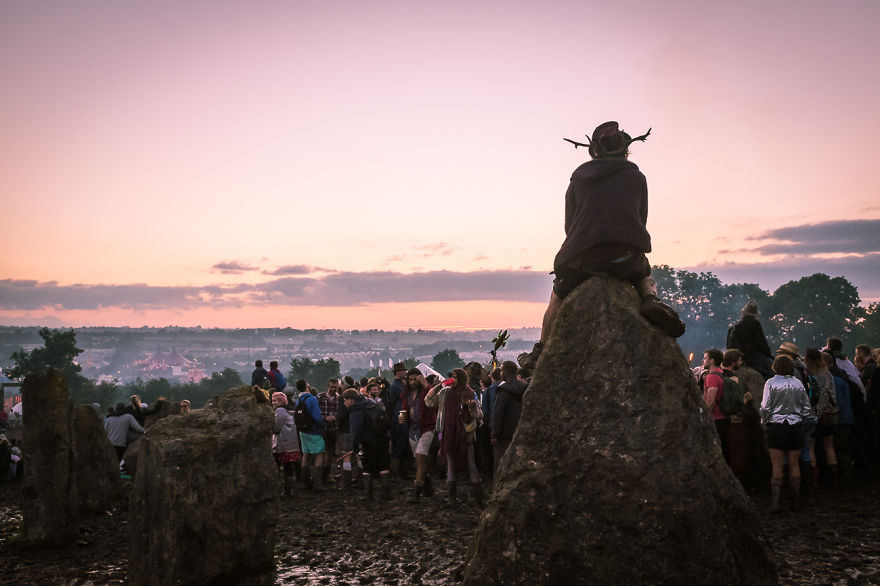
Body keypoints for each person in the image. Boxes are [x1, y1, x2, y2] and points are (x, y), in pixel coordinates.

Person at [519, 121, 685, 370]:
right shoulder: (637, 177)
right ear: (624, 149)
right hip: (627, 256)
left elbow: (569, 222)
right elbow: (642, 216)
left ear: (594, 150)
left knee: (557, 295)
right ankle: (650, 298)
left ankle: (541, 349)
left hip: (583, 258)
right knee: (643, 274)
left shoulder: (579, 178)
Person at [760, 355, 812, 512]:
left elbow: (765, 407)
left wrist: (764, 422)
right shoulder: (798, 383)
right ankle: (794, 501)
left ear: (775, 366)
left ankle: (776, 502)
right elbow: (807, 408)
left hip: (776, 427)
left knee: (777, 466)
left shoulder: (770, 383)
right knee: (794, 464)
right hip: (795, 427)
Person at [425, 368, 484, 505]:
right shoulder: (444, 393)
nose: (453, 379)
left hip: (466, 434)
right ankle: (452, 498)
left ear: (462, 379)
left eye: (456, 377)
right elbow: (428, 401)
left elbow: (480, 416)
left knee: (471, 465)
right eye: (452, 376)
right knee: (450, 466)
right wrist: (439, 385)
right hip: (448, 435)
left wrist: (472, 409)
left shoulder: (470, 393)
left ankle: (479, 497)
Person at [343, 388, 392, 501]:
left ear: (351, 399)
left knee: (367, 468)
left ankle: (368, 495)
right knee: (383, 466)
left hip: (368, 442)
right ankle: (386, 493)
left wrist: (355, 449)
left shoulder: (356, 410)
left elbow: (355, 433)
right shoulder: (370, 402)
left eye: (345, 401)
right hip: (382, 439)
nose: (344, 404)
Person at [400, 368, 438, 503]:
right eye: (410, 380)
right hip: (413, 429)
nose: (412, 382)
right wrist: (403, 417)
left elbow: (434, 396)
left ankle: (416, 493)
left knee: (421, 457)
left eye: (414, 379)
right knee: (419, 461)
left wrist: (425, 383)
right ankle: (427, 486)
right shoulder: (406, 394)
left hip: (427, 427)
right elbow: (404, 408)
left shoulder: (425, 391)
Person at [805, 347, 839, 488]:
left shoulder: (808, 375)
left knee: (811, 447)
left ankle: (814, 481)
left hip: (813, 415)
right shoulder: (828, 374)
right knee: (829, 447)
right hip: (828, 414)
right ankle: (835, 480)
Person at [491, 361, 528, 474]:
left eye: (501, 370)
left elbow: (498, 413)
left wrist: (494, 434)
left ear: (505, 372)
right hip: (522, 430)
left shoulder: (503, 390)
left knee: (500, 463)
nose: (500, 372)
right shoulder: (525, 387)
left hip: (505, 433)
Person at [726, 301, 774, 379]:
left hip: (737, 357)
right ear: (755, 314)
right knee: (771, 373)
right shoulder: (755, 323)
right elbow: (762, 343)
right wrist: (770, 356)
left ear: (744, 313)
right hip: (752, 357)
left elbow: (729, 345)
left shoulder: (735, 327)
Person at [294, 382, 326, 490]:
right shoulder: (312, 399)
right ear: (306, 386)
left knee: (306, 455)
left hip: (302, 431)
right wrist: (325, 421)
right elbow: (317, 417)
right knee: (319, 455)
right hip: (314, 431)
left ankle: (306, 483)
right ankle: (318, 483)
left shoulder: (298, 400)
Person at [702, 349, 730, 462]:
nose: (703, 361)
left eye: (705, 358)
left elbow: (711, 401)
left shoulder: (712, 377)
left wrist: (705, 418)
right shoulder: (722, 373)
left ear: (712, 360)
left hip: (716, 419)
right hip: (725, 417)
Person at [104, 402, 145, 476]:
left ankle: (113, 476)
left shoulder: (109, 418)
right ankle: (120, 475)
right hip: (121, 444)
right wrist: (145, 430)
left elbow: (105, 431)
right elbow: (138, 428)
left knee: (113, 461)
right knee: (119, 460)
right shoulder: (128, 416)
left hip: (110, 443)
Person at [271, 392, 300, 497]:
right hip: (291, 444)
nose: (272, 402)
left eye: (275, 400)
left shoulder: (279, 411)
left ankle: (276, 489)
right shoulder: (291, 410)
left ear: (281, 402)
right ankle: (289, 490)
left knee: (276, 467)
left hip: (282, 444)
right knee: (288, 468)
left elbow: (276, 428)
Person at [318, 378, 341, 486]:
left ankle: (325, 476)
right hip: (322, 428)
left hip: (333, 429)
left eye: (334, 387)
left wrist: (334, 417)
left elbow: (340, 413)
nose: (332, 389)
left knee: (329, 453)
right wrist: (325, 418)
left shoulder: (339, 398)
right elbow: (316, 412)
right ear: (328, 386)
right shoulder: (320, 397)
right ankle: (319, 477)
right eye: (331, 386)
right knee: (321, 453)